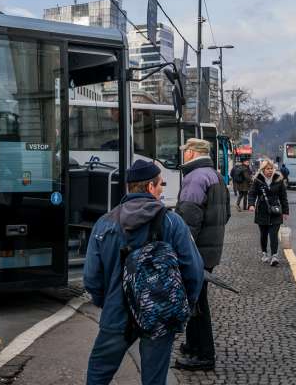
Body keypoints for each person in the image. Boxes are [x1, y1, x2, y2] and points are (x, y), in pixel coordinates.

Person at [84, 159, 204, 385]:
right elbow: (193, 271)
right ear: (150, 187)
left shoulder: (105, 223)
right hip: (159, 313)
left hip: (116, 314)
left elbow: (91, 277)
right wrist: (182, 305)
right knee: (154, 379)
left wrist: (106, 302)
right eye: (160, 185)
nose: (161, 190)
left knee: (98, 373)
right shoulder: (172, 222)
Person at [175, 138, 230, 371]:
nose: (183, 154)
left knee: (197, 303)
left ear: (191, 153)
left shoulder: (195, 178)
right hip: (210, 248)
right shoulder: (215, 175)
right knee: (195, 298)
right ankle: (193, 344)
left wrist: (180, 251)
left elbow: (188, 219)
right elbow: (225, 214)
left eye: (185, 150)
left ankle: (204, 354)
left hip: (195, 251)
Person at [248, 159, 290, 266]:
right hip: (262, 210)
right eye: (267, 169)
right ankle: (264, 253)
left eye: (271, 168)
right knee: (263, 234)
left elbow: (283, 197)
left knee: (273, 235)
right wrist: (251, 205)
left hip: (275, 211)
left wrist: (285, 211)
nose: (270, 170)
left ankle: (274, 256)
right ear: (263, 169)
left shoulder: (278, 179)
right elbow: (252, 194)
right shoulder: (258, 180)